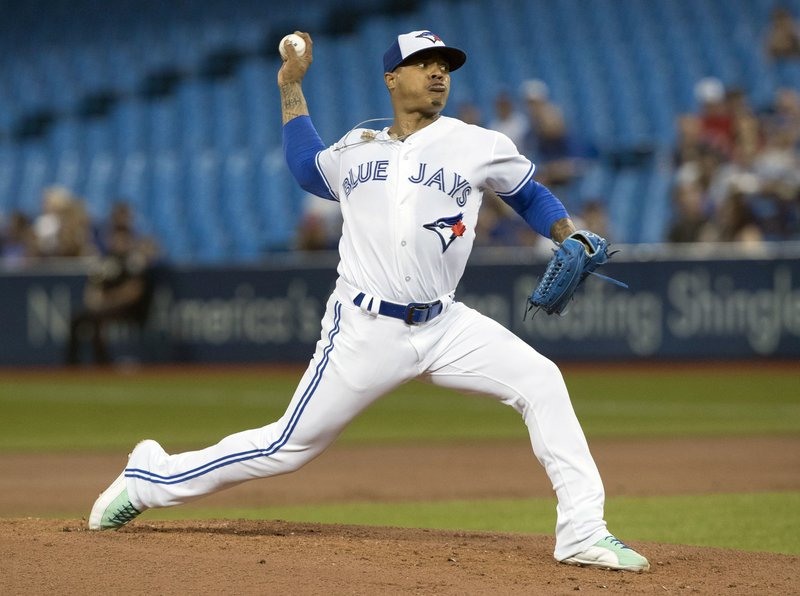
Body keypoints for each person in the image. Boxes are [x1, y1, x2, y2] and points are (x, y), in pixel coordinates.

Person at [89, 30, 649, 573]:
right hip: (364, 327)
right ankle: (149, 480)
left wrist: (566, 232)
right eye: (424, 63)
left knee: (542, 380)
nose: (438, 73)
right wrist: (291, 85)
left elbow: (527, 191)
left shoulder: (478, 143)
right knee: (287, 446)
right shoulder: (357, 146)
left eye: (445, 66)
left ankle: (581, 533)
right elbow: (307, 167)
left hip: (445, 323)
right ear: (391, 79)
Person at [65, 225, 152, 366]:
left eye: (122, 239)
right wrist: (95, 301)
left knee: (97, 319)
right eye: (116, 238)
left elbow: (134, 291)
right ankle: (71, 364)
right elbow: (94, 286)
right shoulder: (106, 261)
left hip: (128, 308)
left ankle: (102, 363)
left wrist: (110, 300)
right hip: (104, 307)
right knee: (77, 318)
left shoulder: (133, 261)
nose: (118, 242)